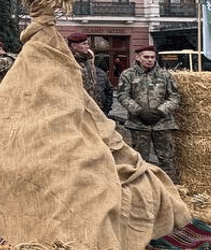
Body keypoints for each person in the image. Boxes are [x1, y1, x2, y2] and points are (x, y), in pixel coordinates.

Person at [114, 45, 181, 181]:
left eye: (152, 57)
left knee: (167, 159)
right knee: (139, 159)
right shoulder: (128, 75)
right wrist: (139, 111)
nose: (150, 60)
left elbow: (175, 97)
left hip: (162, 124)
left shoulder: (164, 75)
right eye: (146, 57)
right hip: (138, 124)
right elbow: (123, 96)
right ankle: (142, 187)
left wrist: (161, 111)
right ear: (138, 58)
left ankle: (170, 188)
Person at [67, 31, 110, 114]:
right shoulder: (69, 62)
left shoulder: (87, 62)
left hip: (92, 107)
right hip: (76, 109)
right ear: (74, 46)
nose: (88, 46)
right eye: (84, 44)